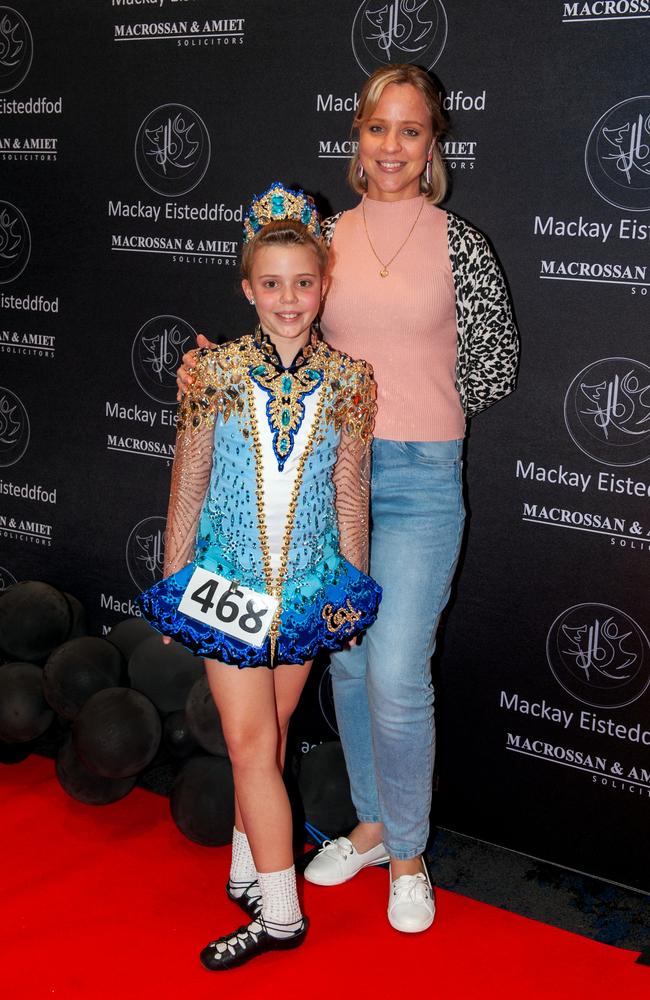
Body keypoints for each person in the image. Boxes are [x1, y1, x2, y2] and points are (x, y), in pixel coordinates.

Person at [177, 64, 519, 935]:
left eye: (411, 131)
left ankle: (409, 856)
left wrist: (414, 403)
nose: (393, 147)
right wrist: (207, 367)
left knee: (399, 670)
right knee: (354, 662)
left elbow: (494, 365)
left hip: (420, 475)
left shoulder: (460, 243)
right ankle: (369, 828)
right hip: (332, 481)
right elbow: (280, 326)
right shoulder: (324, 236)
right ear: (357, 138)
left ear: (432, 144)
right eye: (378, 129)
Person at [138, 182, 381, 970]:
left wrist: (351, 585)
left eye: (303, 282)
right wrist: (176, 580)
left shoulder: (350, 379)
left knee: (269, 743)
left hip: (307, 591)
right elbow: (190, 476)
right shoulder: (212, 374)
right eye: (270, 284)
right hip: (229, 587)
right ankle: (282, 914)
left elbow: (351, 490)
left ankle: (249, 870)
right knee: (249, 746)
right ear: (247, 287)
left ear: (324, 283)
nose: (288, 299)